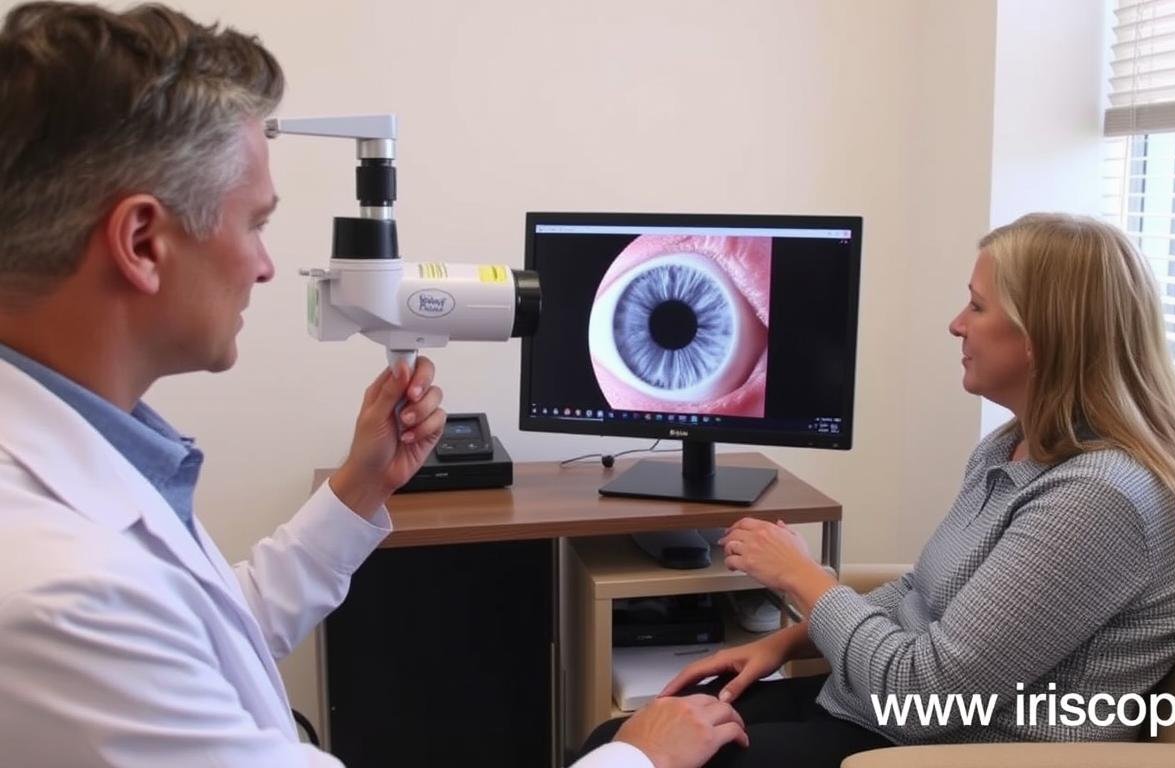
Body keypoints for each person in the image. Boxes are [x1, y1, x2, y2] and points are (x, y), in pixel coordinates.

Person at [0, 3, 746, 766]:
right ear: (142, 242)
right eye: (255, 224)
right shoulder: (61, 592)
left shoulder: (89, 472)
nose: (264, 265)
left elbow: (210, 638)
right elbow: (149, 638)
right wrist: (640, 756)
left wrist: (360, 489)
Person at [581, 213, 1175, 766]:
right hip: (875, 712)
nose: (955, 324)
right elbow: (924, 594)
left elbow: (926, 695)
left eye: (977, 306)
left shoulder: (1100, 501)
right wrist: (784, 640)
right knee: (622, 736)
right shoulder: (1013, 446)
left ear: (1040, 337)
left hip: (951, 747)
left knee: (635, 752)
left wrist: (803, 580)